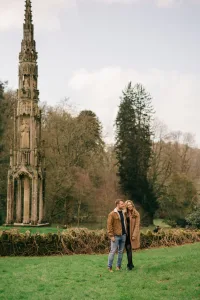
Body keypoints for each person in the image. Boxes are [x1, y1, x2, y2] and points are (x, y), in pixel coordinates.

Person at [107, 199, 127, 272]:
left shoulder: (123, 212)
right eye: (122, 204)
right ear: (117, 205)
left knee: (121, 252)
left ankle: (118, 266)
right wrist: (111, 236)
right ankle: (109, 267)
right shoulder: (112, 214)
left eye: (123, 204)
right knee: (112, 251)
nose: (123, 205)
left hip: (123, 235)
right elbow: (109, 225)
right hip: (115, 236)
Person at [124, 200, 140, 270]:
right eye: (128, 205)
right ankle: (131, 264)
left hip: (131, 234)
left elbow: (137, 225)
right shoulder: (124, 213)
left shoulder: (136, 213)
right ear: (126, 206)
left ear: (132, 205)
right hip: (125, 233)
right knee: (127, 249)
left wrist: (134, 235)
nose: (129, 206)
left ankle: (129, 265)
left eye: (130, 204)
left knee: (129, 249)